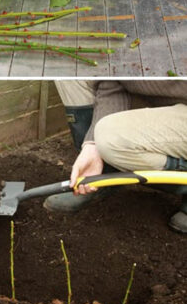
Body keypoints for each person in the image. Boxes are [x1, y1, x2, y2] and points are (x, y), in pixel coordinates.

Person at [51, 81, 187, 233]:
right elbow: (113, 84)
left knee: (111, 136)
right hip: (161, 100)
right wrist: (92, 145)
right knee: (72, 70)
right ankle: (103, 176)